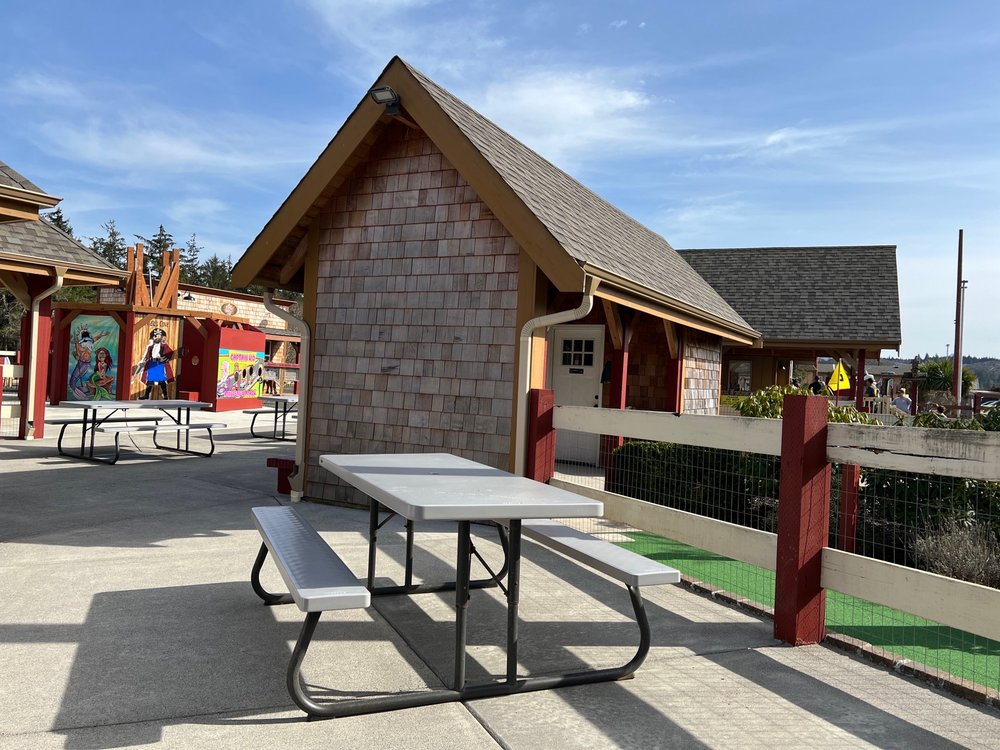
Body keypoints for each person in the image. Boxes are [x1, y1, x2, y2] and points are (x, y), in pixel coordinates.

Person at [138, 327, 175, 400]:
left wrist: (164, 358)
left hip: (159, 364)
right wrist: (144, 360)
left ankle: (165, 395)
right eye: (155, 336)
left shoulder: (164, 346)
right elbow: (147, 355)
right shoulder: (150, 347)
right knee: (150, 380)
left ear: (161, 337)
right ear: (153, 337)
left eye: (158, 336)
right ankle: (146, 395)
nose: (156, 337)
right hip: (152, 363)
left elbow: (170, 353)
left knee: (161, 380)